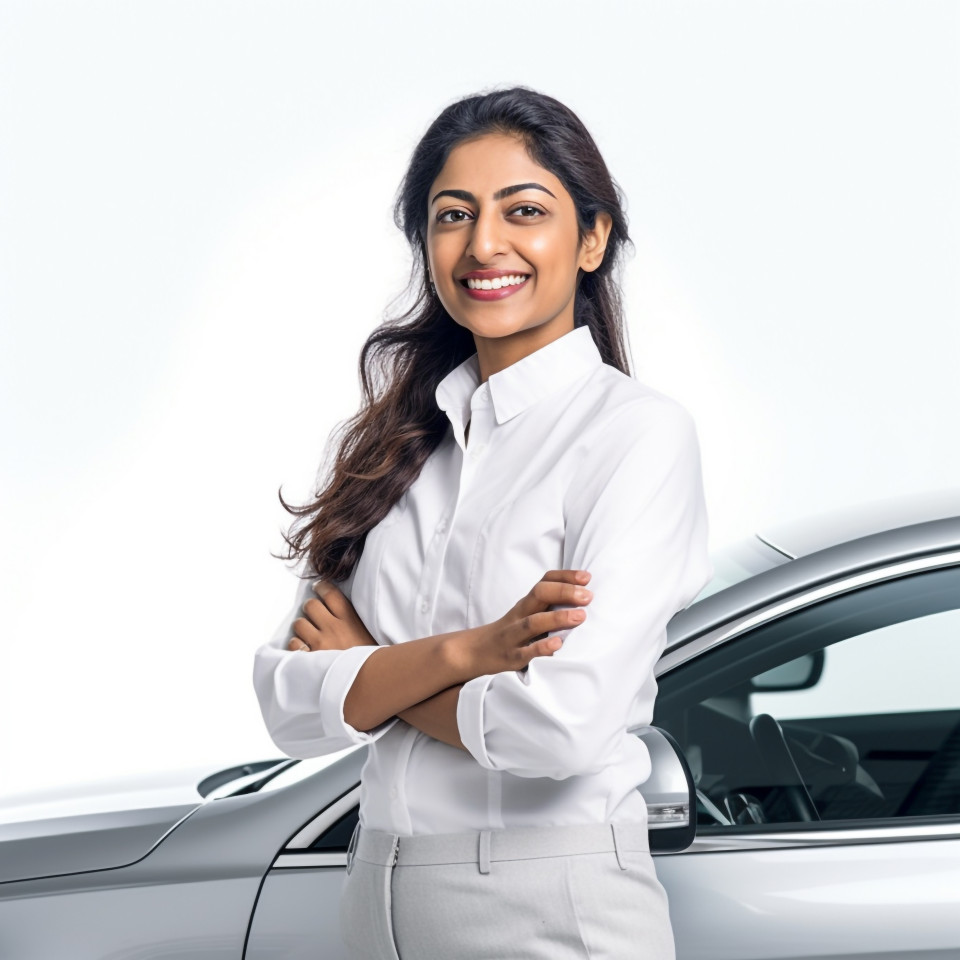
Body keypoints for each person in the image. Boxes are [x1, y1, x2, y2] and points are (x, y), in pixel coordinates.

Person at [252, 85, 713, 959]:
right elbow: (286, 703)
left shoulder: (635, 436)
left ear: (592, 237)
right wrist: (468, 656)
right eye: (452, 215)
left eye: (524, 211)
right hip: (375, 891)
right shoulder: (397, 442)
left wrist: (367, 675)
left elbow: (560, 728)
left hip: (546, 900)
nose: (484, 245)